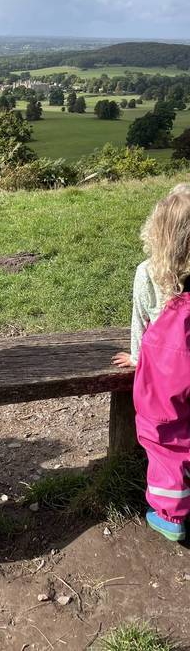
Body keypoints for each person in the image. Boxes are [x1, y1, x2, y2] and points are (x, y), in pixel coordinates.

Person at [113, 184, 190, 542]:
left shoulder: (148, 272)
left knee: (166, 441)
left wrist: (137, 356)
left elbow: (140, 322)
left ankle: (170, 514)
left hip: (167, 375)